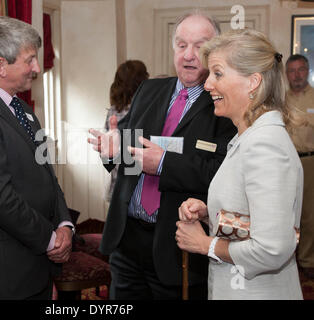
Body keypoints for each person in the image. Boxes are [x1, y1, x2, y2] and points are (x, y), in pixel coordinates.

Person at [88, 12, 236, 299]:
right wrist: (112, 151)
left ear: (214, 52)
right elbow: (130, 148)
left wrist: (164, 164)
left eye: (199, 47)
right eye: (181, 46)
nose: (189, 55)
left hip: (177, 246)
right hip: (126, 240)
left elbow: (220, 173)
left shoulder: (225, 105)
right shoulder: (150, 89)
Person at [176, 28, 304, 299]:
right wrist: (211, 212)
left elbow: (272, 248)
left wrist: (205, 245)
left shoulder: (264, 145)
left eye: (218, 74)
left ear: (252, 82)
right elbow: (257, 215)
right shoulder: (246, 138)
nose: (207, 84)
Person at [0, 16, 73, 300]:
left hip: (39, 265)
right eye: (29, 60)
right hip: (10, 270)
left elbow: (47, 174)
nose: (36, 68)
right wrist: (49, 239)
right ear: (1, 65)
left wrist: (64, 224)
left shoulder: (21, 107)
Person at [285, 54, 314, 279]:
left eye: (301, 69)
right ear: (287, 74)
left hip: (309, 162)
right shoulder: (279, 99)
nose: (297, 75)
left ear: (308, 70)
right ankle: (283, 259)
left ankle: (307, 260)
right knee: (284, 213)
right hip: (283, 164)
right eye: (292, 70)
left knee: (308, 215)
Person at [104, 60, 149, 202]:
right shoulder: (146, 110)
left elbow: (108, 155)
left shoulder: (112, 112)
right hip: (141, 186)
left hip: (118, 183)